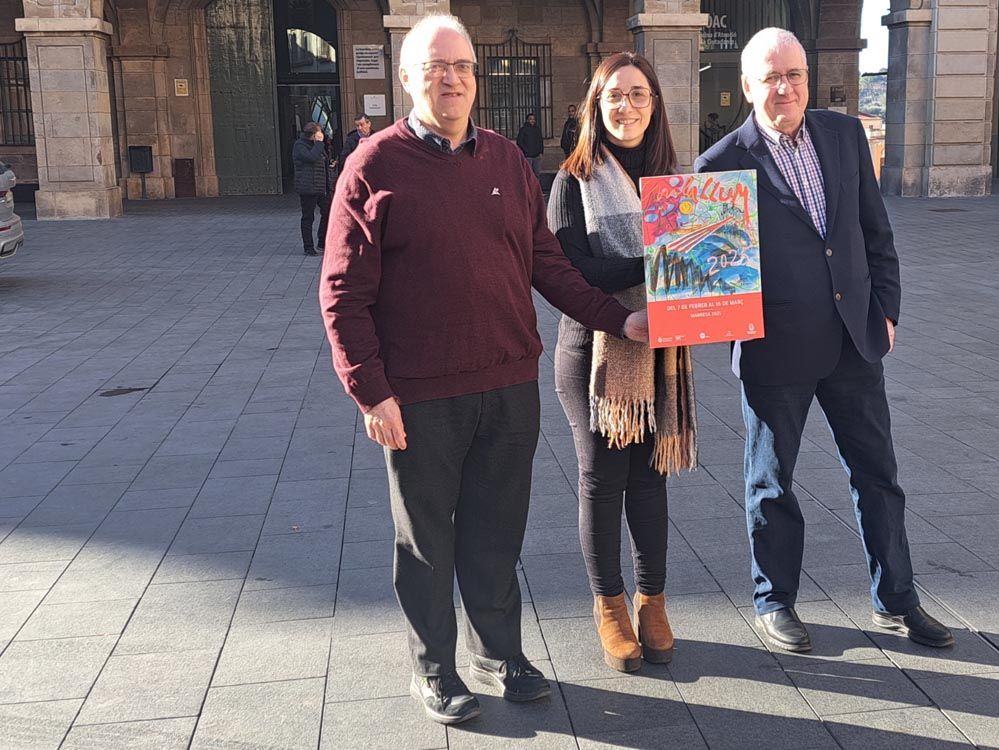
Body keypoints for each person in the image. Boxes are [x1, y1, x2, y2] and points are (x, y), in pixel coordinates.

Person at [318, 14, 649, 727]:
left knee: (498, 529)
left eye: (463, 66)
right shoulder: (372, 167)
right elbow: (342, 294)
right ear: (407, 77)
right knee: (427, 538)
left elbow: (548, 266)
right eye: (435, 66)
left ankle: (498, 654)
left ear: (478, 77)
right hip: (419, 396)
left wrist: (617, 319)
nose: (451, 78)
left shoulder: (505, 161)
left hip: (506, 384)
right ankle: (434, 668)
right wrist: (370, 390)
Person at [694, 28, 954, 653]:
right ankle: (775, 600)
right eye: (771, 78)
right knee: (771, 482)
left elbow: (874, 231)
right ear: (748, 87)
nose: (785, 88)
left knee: (878, 476)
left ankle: (897, 601)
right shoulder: (720, 165)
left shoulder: (843, 136)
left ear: (807, 78)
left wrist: (886, 310)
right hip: (776, 349)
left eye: (796, 75)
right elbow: (713, 274)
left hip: (854, 341)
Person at [548, 52, 696, 674]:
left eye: (639, 95)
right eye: (615, 96)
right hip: (595, 355)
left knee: (651, 481)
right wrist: (662, 263)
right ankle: (609, 607)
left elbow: (709, 269)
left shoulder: (676, 182)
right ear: (595, 105)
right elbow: (571, 270)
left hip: (661, 355)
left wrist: (710, 287)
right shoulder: (572, 179)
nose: (627, 106)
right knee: (603, 483)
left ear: (655, 104)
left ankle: (652, 601)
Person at [293, 121, 332, 256]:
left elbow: (323, 160)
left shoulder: (317, 145)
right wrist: (320, 143)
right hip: (308, 187)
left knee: (328, 213)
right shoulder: (300, 145)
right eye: (319, 132)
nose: (321, 134)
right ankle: (308, 246)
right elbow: (311, 157)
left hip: (321, 187)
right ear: (313, 134)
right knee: (308, 217)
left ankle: (322, 242)